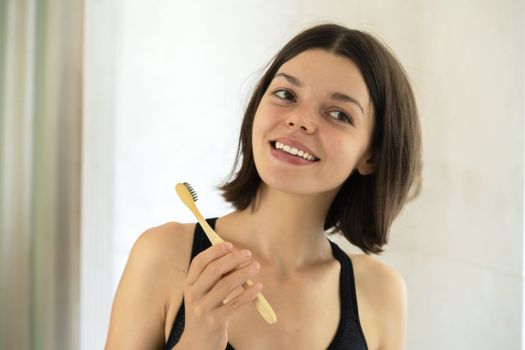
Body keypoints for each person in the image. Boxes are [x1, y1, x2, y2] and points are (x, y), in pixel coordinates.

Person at [105, 23, 422, 350]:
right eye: (286, 95)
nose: (300, 120)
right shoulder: (164, 254)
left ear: (371, 156)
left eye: (339, 114)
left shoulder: (380, 291)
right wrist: (198, 340)